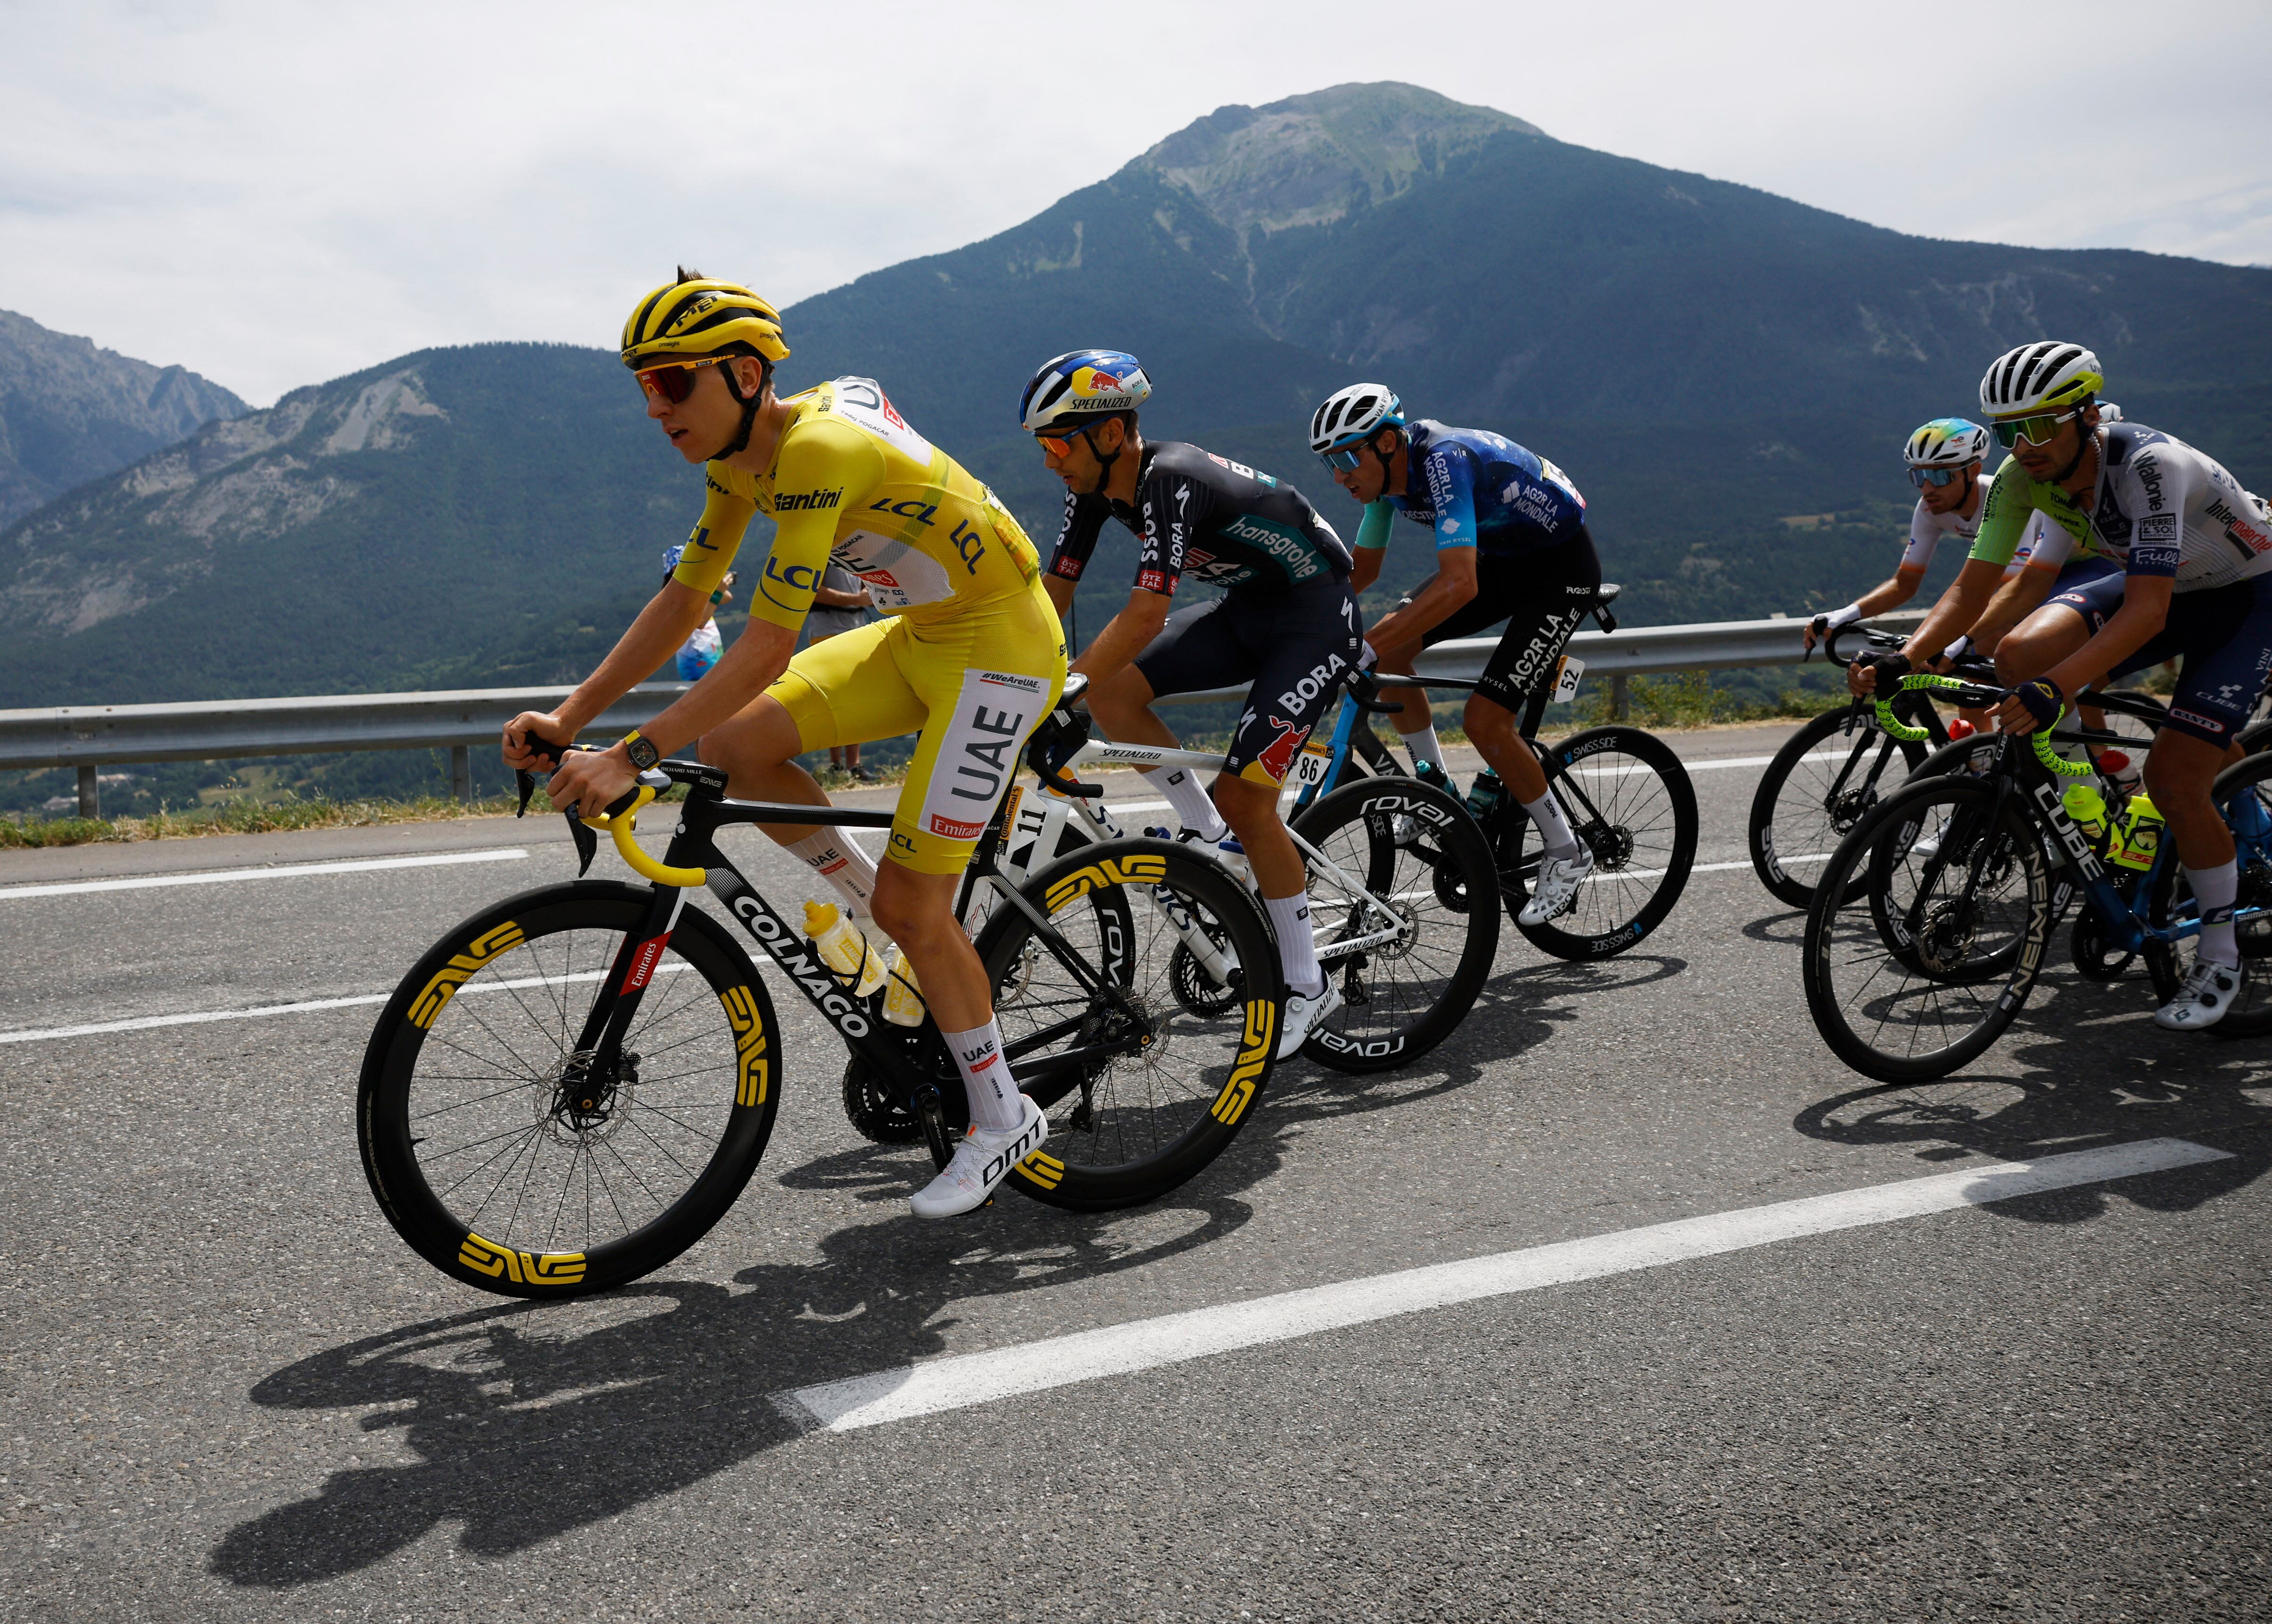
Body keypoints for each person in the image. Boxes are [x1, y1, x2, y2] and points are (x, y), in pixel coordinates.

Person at [503, 271, 1067, 1216]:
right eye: (645, 386)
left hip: (1002, 649)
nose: (655, 408)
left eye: (673, 383)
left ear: (744, 373)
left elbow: (766, 647)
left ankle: (1004, 1114)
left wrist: (630, 756)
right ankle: (888, 917)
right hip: (922, 636)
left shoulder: (812, 452)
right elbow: (686, 600)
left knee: (916, 905)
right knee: (732, 750)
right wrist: (571, 718)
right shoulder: (739, 459)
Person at [1872, 341, 2272, 1029]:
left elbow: (2146, 611)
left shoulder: (2148, 466)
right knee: (2020, 655)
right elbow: (1972, 591)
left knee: (2176, 778)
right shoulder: (2020, 478)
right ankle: (2086, 794)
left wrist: (2057, 690)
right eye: (2006, 432)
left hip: (2247, 596)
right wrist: (1906, 656)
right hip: (2175, 586)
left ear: (2085, 414)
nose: (2021, 446)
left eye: (2036, 427)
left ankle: (2219, 953)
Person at [1027, 348, 1360, 1056]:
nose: (1050, 459)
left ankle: (1307, 985)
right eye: (1042, 445)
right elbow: (1050, 598)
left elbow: (1145, 615)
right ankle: (1204, 832)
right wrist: (1014, 675)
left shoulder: (1169, 479)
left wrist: (1062, 696)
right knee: (1114, 687)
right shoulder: (1089, 489)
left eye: (1057, 441)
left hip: (1314, 617)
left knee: (1251, 801)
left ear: (1110, 434)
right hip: (1248, 608)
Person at [1307, 382, 1603, 926]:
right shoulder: (1385, 483)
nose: (1340, 475)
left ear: (1389, 444)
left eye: (1349, 458)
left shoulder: (1445, 461)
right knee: (1393, 653)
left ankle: (1568, 850)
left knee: (1486, 722)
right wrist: (1305, 619)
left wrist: (1364, 648)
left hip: (1561, 573)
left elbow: (1459, 585)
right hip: (1506, 561)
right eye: (1331, 462)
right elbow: (1362, 572)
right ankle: (1434, 789)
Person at [804, 560, 878, 780]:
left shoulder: (853, 554)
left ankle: (849, 766)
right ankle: (841, 766)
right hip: (828, 630)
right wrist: (857, 599)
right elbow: (813, 591)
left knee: (853, 699)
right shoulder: (824, 553)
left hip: (853, 628)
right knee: (834, 700)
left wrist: (868, 591)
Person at [660, 544, 732, 680]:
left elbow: (727, 597)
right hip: (697, 665)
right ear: (676, 568)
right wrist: (716, 593)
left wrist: (713, 581)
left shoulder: (694, 593)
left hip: (711, 661)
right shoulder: (676, 597)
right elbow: (699, 623)